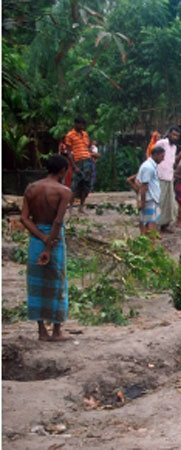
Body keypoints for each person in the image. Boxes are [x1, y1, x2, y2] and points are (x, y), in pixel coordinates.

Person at [20, 154, 72, 341]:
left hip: (36, 238)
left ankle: (41, 330)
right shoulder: (64, 191)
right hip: (54, 239)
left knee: (36, 283)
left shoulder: (31, 188)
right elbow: (57, 221)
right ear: (62, 171)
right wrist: (49, 245)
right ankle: (57, 330)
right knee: (57, 283)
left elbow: (24, 218)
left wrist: (41, 237)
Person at [153, 126, 181, 233]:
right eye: (173, 134)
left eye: (177, 136)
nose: (175, 137)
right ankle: (154, 227)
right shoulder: (162, 143)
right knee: (160, 202)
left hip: (169, 177)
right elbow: (153, 155)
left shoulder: (174, 147)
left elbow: (171, 161)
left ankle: (165, 226)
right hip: (160, 176)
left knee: (169, 204)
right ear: (169, 133)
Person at [64, 117, 92, 214]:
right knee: (75, 185)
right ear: (76, 124)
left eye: (83, 125)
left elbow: (87, 146)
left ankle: (81, 207)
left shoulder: (85, 134)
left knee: (85, 185)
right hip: (78, 161)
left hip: (87, 160)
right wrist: (74, 166)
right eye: (80, 124)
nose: (82, 126)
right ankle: (71, 207)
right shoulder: (70, 135)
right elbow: (69, 152)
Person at [135, 146, 165, 237]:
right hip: (149, 199)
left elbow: (138, 181)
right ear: (155, 155)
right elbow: (144, 186)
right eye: (162, 156)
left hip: (151, 198)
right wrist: (143, 202)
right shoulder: (149, 168)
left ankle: (146, 241)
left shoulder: (150, 166)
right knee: (151, 224)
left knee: (147, 222)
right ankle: (150, 243)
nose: (163, 159)